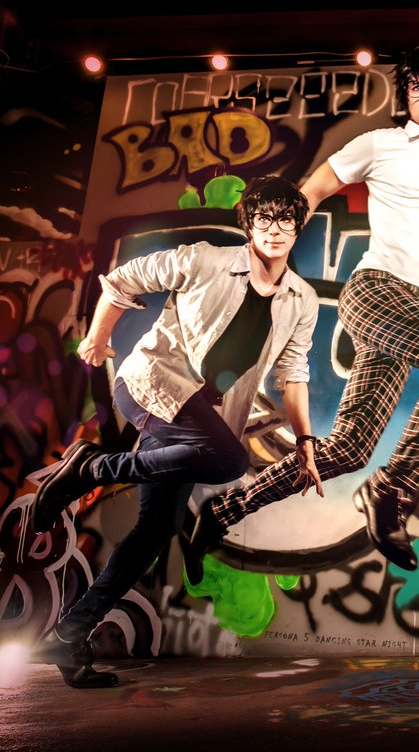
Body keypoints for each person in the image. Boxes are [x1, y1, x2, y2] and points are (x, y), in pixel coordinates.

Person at [184, 47, 419, 580]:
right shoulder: (378, 145)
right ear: (406, 97)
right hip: (375, 292)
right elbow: (312, 192)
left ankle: (223, 511)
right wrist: (267, 263)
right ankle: (392, 490)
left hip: (417, 307)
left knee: (348, 447)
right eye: (417, 87)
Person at [31, 175, 319, 688]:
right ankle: (90, 469)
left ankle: (70, 634)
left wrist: (305, 443)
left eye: (285, 220)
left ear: (298, 226)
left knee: (156, 529)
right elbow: (123, 279)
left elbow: (293, 372)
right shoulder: (204, 260)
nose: (274, 229)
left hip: (198, 418)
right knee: (229, 460)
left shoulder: (301, 298)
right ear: (249, 224)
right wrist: (96, 339)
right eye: (264, 218)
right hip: (151, 385)